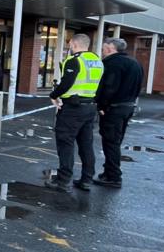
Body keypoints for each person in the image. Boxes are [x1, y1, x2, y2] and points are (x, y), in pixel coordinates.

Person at [45, 33, 103, 192]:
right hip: (89, 106)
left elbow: (66, 83)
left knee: (65, 142)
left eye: (70, 44)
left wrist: (53, 95)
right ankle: (87, 179)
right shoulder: (97, 61)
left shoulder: (74, 60)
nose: (69, 46)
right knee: (86, 144)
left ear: (74, 44)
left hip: (73, 108)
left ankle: (63, 180)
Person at [92, 38, 143, 189]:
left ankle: (113, 176)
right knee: (116, 141)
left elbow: (109, 87)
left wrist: (101, 105)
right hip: (128, 106)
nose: (102, 51)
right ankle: (108, 172)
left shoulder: (112, 63)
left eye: (103, 48)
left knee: (110, 142)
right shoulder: (135, 63)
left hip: (114, 108)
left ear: (110, 48)